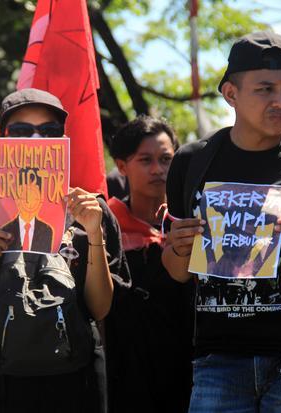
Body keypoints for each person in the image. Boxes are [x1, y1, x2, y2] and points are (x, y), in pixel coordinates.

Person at [163, 31, 281, 412]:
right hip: (219, 362)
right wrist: (179, 247)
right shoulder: (192, 162)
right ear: (231, 94)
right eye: (265, 89)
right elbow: (178, 273)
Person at [0, 88, 122, 413]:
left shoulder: (91, 210)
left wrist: (94, 233)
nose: (35, 139)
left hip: (75, 376)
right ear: (1, 138)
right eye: (21, 131)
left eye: (49, 131)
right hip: (5, 378)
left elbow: (100, 310)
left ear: (63, 140)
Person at [105, 115, 194, 412]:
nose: (158, 170)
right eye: (145, 160)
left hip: (189, 375)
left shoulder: (193, 224)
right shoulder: (104, 230)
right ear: (121, 165)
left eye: (166, 159)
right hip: (125, 377)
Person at [1, 167, 53, 253]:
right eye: (24, 193)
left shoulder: (47, 231)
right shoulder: (5, 230)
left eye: (34, 194)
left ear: (40, 199)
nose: (29, 200)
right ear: (16, 197)